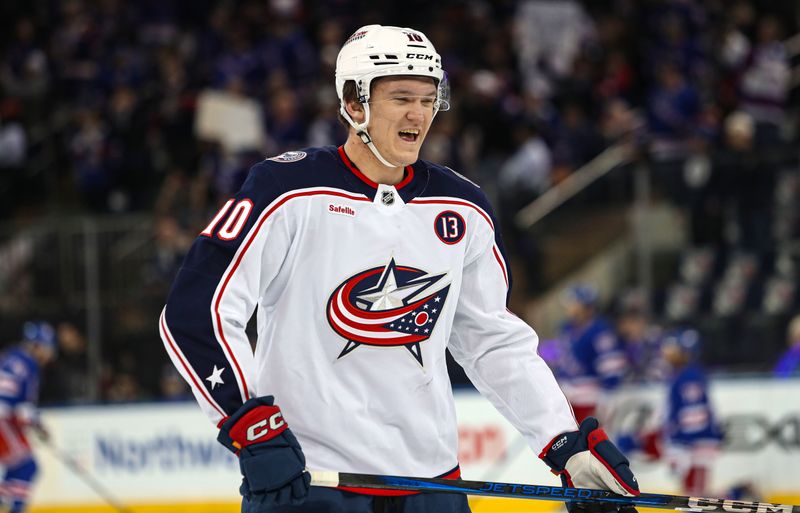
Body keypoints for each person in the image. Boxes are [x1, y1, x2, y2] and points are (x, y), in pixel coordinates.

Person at [160, 25, 639, 513]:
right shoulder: (286, 189)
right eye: (402, 97)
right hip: (310, 484)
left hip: (432, 488)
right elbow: (198, 310)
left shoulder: (463, 206)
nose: (419, 114)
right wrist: (252, 428)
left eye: (429, 99)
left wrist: (566, 443)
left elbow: (491, 341)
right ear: (354, 104)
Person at [0, 321, 57, 513]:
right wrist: (39, 427)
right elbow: (24, 410)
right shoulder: (29, 364)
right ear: (38, 346)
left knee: (16, 470)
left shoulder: (10, 356)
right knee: (28, 467)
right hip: (2, 421)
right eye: (47, 348)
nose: (48, 355)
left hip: (5, 419)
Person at [554, 284, 629, 423]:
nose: (569, 307)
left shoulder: (600, 331)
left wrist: (607, 395)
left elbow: (611, 366)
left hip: (590, 397)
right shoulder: (567, 328)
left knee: (589, 440)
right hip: (567, 395)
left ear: (586, 306)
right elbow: (562, 359)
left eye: (573, 303)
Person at [660, 329, 721, 496]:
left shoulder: (689, 377)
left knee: (696, 496)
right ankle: (736, 494)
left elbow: (695, 418)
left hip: (696, 445)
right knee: (693, 493)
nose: (669, 352)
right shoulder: (685, 375)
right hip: (693, 444)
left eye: (675, 348)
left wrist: (677, 442)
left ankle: (737, 494)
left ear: (686, 352)